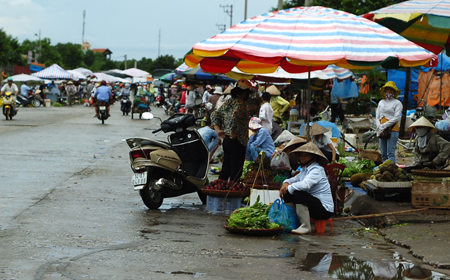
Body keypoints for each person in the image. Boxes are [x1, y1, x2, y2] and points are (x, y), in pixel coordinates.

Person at [279, 142, 334, 235]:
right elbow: (294, 179)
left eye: (306, 155)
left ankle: (305, 226)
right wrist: (286, 184)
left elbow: (305, 185)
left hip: (324, 210)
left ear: (313, 157)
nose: (303, 157)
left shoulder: (317, 170)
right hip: (312, 206)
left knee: (298, 193)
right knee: (288, 193)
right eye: (301, 155)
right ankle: (293, 221)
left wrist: (289, 187)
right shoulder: (305, 169)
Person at [212, 79, 252, 182]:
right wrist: (233, 130)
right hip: (237, 141)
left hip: (227, 140)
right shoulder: (241, 104)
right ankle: (232, 194)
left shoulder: (229, 102)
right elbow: (235, 116)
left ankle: (220, 191)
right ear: (243, 93)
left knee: (226, 168)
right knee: (236, 171)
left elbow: (215, 114)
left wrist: (218, 129)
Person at [376, 81, 403, 163]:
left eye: (391, 90)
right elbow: (377, 116)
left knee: (390, 153)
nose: (389, 91)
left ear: (394, 92)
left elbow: (396, 118)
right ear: (385, 91)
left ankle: (391, 171)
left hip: (392, 130)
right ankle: (384, 170)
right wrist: (379, 127)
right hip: (381, 130)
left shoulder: (397, 103)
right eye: (388, 89)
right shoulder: (381, 102)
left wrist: (384, 126)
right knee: (383, 153)